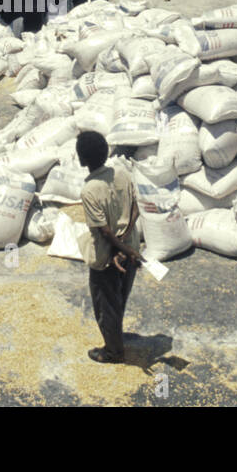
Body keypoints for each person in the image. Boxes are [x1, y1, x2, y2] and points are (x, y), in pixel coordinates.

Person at [77, 131, 143, 364]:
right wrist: (127, 246)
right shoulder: (123, 175)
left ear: (81, 159)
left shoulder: (90, 191)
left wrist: (119, 249)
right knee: (120, 296)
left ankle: (113, 351)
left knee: (106, 305)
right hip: (130, 251)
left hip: (108, 258)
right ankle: (116, 336)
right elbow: (135, 209)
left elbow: (104, 231)